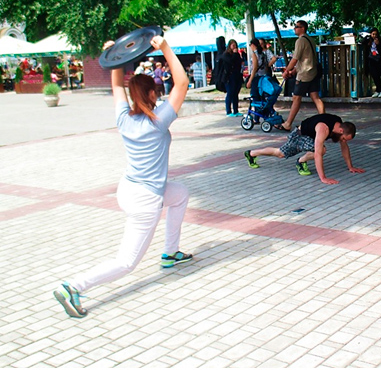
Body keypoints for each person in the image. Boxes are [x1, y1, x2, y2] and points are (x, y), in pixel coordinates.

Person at [53, 35, 192, 319]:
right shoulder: (158, 121)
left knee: (180, 194)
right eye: (156, 92)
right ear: (151, 94)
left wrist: (115, 57)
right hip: (145, 200)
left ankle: (170, 252)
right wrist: (165, 48)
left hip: (127, 190)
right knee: (127, 262)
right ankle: (73, 287)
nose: (159, 95)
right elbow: (182, 84)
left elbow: (116, 85)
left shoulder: (123, 118)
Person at [244, 113, 365, 185]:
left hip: (308, 137)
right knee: (281, 153)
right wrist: (323, 178)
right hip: (299, 136)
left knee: (281, 153)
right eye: (343, 138)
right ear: (341, 131)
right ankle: (252, 153)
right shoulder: (324, 128)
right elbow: (317, 154)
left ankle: (300, 162)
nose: (343, 141)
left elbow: (344, 147)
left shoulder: (339, 124)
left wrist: (350, 167)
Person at [277, 20, 325, 131]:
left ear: (302, 28)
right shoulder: (310, 39)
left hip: (304, 74)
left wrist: (286, 71)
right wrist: (294, 71)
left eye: (297, 26)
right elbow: (305, 58)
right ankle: (324, 120)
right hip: (313, 71)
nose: (294, 28)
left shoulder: (300, 41)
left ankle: (288, 123)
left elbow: (295, 59)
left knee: (296, 97)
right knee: (315, 97)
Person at [362, 28, 381, 97]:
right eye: (373, 34)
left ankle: (379, 90)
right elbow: (362, 42)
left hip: (378, 59)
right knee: (374, 74)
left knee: (377, 75)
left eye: (376, 34)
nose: (374, 36)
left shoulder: (380, 41)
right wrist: (367, 40)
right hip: (371, 59)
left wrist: (378, 44)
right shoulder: (368, 40)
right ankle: (378, 90)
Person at [224, 39, 244, 117]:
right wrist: (235, 54)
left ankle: (236, 110)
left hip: (237, 76)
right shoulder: (226, 55)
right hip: (229, 77)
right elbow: (230, 62)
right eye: (232, 45)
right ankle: (228, 111)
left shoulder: (237, 54)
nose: (234, 47)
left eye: (235, 45)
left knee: (235, 93)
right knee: (230, 93)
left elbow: (239, 62)